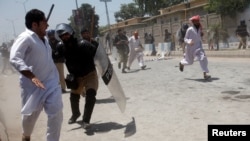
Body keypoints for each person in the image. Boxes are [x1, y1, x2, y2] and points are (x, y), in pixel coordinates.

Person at [9, 9, 63, 141]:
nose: (47, 25)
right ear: (34, 25)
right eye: (44, 22)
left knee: (56, 113)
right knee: (29, 119)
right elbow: (15, 58)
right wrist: (32, 76)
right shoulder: (25, 38)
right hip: (32, 86)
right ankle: (26, 135)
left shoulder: (44, 39)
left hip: (51, 83)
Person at [55, 23, 98, 129]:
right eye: (62, 35)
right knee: (74, 97)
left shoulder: (83, 44)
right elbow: (54, 56)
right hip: (76, 77)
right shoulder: (61, 47)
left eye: (66, 34)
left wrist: (94, 44)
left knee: (91, 95)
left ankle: (86, 120)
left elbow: (97, 53)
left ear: (71, 33)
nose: (65, 36)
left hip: (90, 74)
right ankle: (75, 114)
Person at [179, 15, 211, 80]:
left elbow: (198, 36)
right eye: (196, 21)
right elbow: (185, 39)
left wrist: (201, 36)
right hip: (190, 48)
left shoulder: (199, 28)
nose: (197, 22)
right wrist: (189, 42)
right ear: (193, 22)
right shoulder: (189, 29)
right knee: (190, 62)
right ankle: (181, 63)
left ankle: (205, 74)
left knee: (203, 58)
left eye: (198, 21)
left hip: (198, 47)